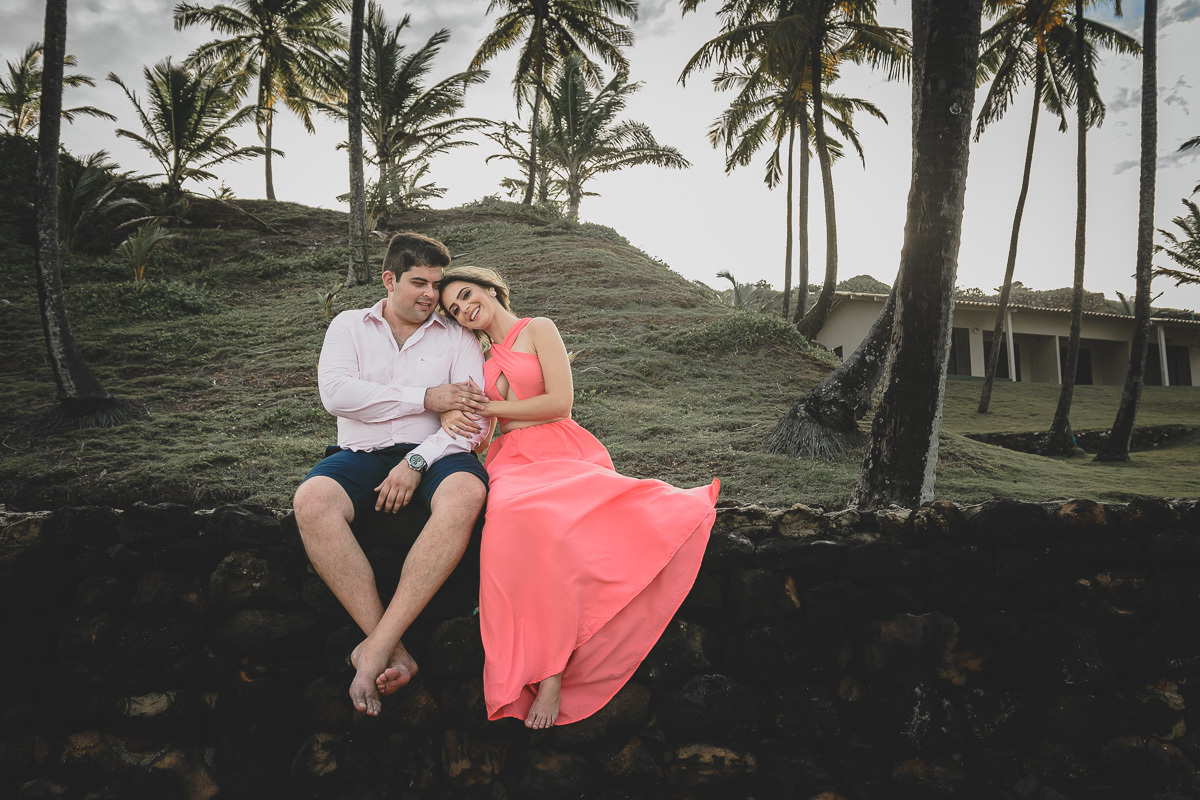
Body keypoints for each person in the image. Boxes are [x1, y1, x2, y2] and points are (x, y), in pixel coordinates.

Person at [437, 265, 719, 729]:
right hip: (512, 461)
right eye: (454, 309)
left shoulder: (538, 329)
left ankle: (553, 672)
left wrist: (490, 406)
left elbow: (560, 402)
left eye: (467, 294)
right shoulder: (480, 361)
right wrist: (460, 421)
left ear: (489, 287)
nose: (464, 308)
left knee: (557, 531)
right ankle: (534, 667)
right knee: (507, 526)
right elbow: (486, 433)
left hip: (560, 447)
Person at [293, 232, 491, 717]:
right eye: (419, 282)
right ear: (390, 279)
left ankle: (376, 647)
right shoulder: (348, 326)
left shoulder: (458, 337)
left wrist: (416, 461)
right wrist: (428, 398)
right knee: (312, 501)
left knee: (467, 494)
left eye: (437, 284)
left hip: (438, 453)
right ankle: (393, 647)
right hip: (360, 452)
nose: (430, 294)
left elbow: (473, 420)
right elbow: (338, 395)